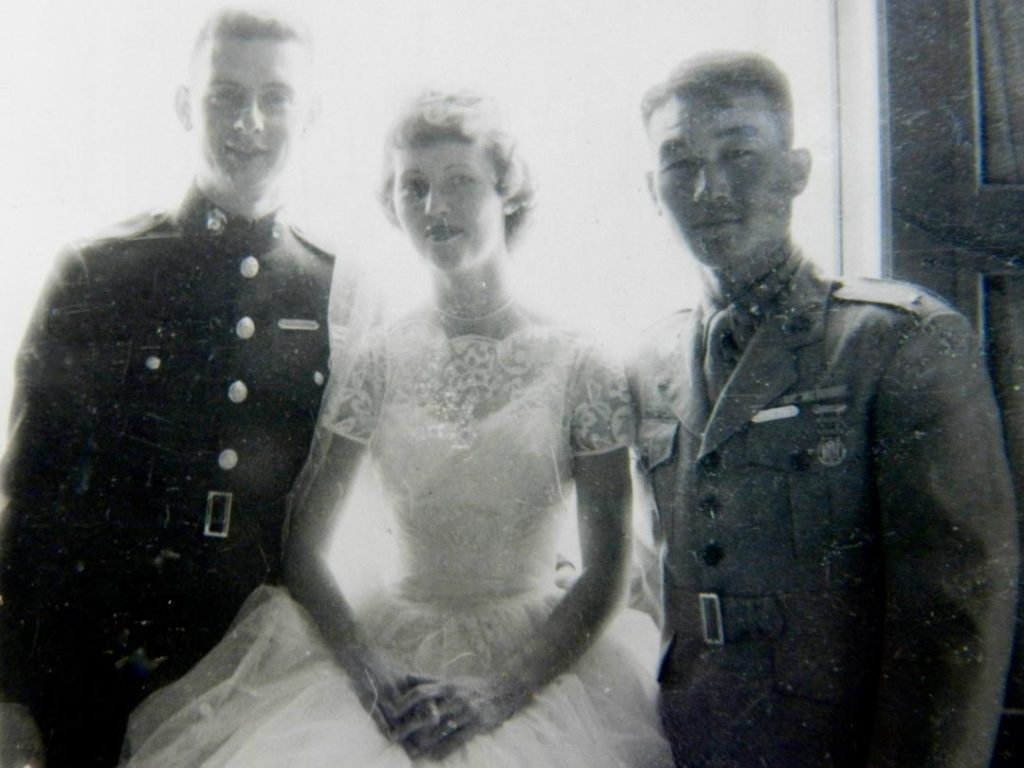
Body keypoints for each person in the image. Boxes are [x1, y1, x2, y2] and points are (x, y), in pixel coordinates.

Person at [118, 90, 673, 767]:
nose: (435, 209)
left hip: (533, 672)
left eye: (459, 183)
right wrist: (369, 672)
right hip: (388, 654)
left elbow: (607, 572)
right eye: (413, 187)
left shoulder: (581, 360)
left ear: (507, 191)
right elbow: (305, 550)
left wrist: (499, 694)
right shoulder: (378, 357)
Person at [0, 8, 373, 766]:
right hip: (95, 672)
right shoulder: (98, 272)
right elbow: (26, 503)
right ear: (183, 105)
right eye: (224, 96)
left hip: (250, 683)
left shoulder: (338, 295)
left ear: (314, 115)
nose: (251, 122)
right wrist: (8, 699)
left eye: (277, 98)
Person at [631, 51, 1019, 767]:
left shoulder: (897, 344)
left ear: (797, 170)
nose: (710, 187)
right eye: (680, 162)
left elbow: (957, 619)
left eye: (740, 153)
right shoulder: (651, 365)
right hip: (695, 740)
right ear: (652, 189)